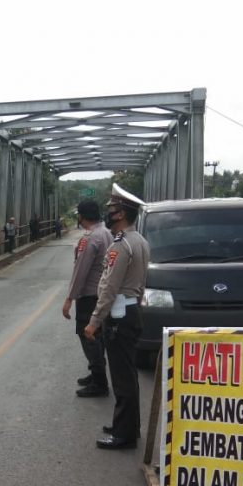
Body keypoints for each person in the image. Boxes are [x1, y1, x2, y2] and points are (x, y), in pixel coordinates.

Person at [83, 184, 150, 449]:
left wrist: (94, 322)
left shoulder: (120, 246)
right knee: (128, 373)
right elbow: (142, 282)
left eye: (111, 210)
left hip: (119, 316)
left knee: (122, 377)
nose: (108, 214)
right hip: (132, 310)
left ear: (121, 213)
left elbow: (109, 288)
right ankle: (127, 425)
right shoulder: (140, 241)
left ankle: (124, 435)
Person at [62, 200, 112, 398]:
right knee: (97, 336)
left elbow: (80, 271)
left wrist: (69, 298)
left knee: (88, 336)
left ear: (81, 216)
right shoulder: (106, 233)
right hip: (101, 294)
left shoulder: (90, 238)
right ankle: (96, 374)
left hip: (89, 295)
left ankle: (99, 382)